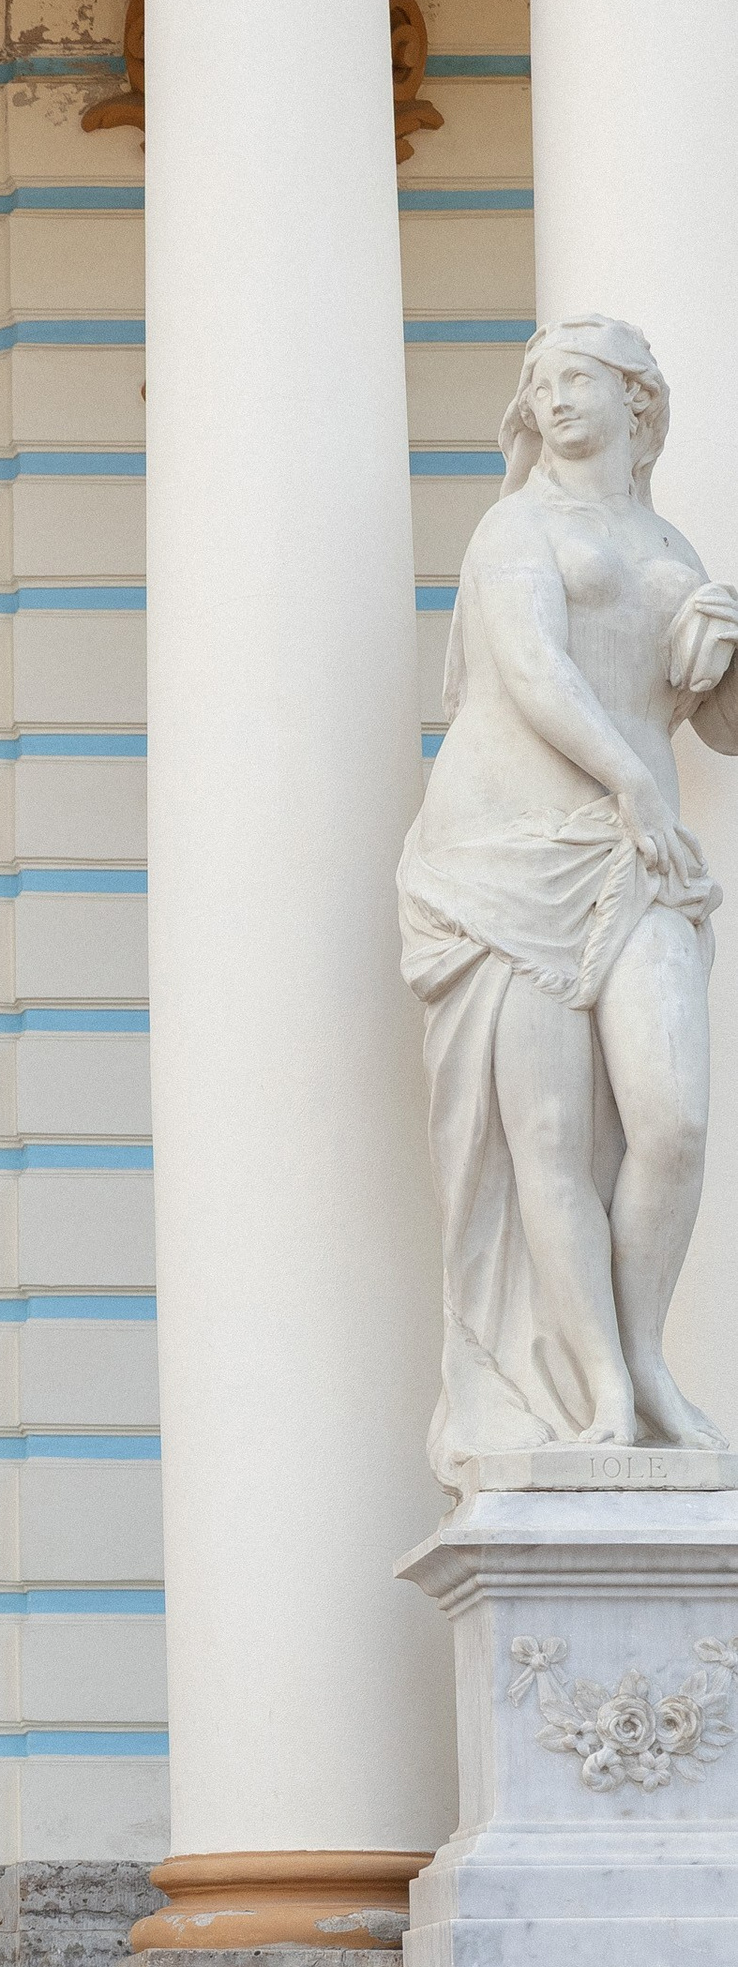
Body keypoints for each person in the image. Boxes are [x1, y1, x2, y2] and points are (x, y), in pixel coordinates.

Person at [399, 313, 738, 1480]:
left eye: (577, 380)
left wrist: (726, 654)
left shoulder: (672, 547)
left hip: (634, 859)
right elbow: (533, 669)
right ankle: (598, 1388)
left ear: (637, 401)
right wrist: (636, 785)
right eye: (537, 383)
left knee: (674, 1123)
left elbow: (719, 728)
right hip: (503, 855)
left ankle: (646, 1357)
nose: (552, 399)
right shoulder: (513, 526)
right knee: (542, 1134)